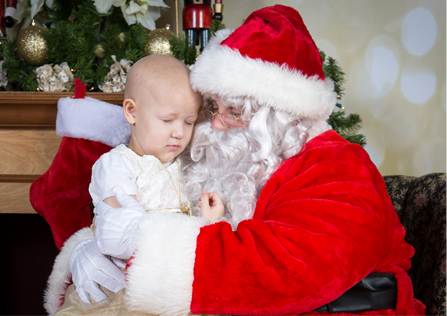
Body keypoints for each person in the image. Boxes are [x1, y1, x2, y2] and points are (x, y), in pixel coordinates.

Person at [44, 5, 425, 316]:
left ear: (279, 116)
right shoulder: (224, 155)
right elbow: (127, 198)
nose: (217, 124)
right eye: (213, 107)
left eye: (236, 111)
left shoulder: (339, 166)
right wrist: (88, 247)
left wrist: (140, 254)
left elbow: (288, 271)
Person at [49, 54, 223, 314]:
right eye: (167, 120)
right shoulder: (117, 166)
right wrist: (199, 228)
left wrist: (211, 222)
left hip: (169, 290)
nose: (179, 132)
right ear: (132, 111)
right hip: (120, 292)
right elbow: (120, 239)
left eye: (188, 122)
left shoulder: (183, 167)